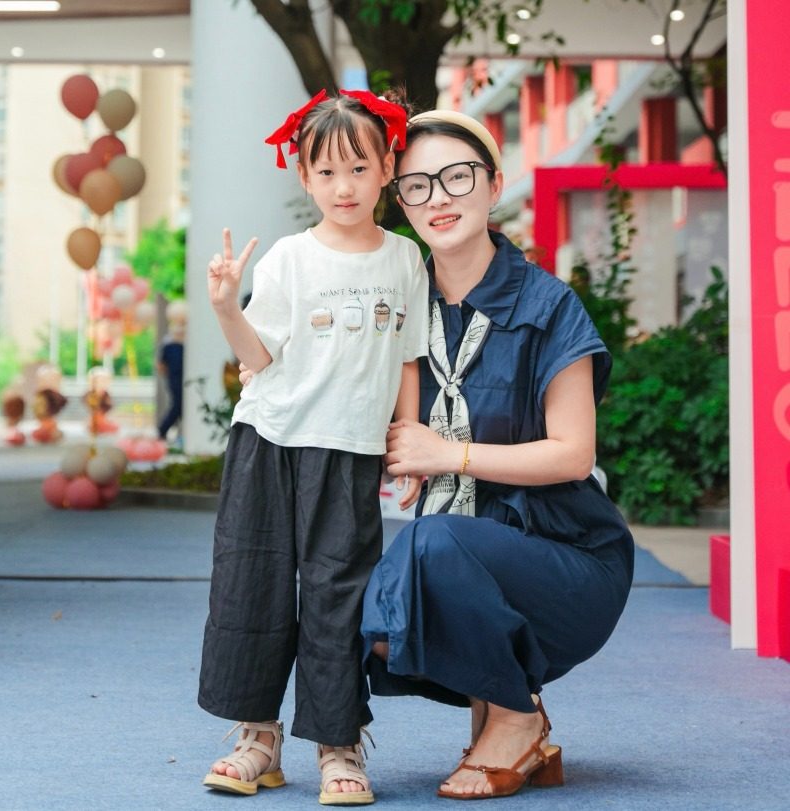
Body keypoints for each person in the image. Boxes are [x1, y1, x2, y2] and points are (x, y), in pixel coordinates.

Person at [360, 107, 635, 800]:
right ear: (401, 202)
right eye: (417, 185)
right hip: (461, 549)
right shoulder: (400, 305)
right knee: (371, 624)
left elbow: (573, 455)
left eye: (457, 177)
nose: (438, 197)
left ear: (493, 183)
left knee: (431, 543)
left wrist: (447, 454)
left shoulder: (549, 305)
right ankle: (509, 716)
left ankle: (515, 717)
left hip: (567, 555)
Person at [198, 89, 429, 805]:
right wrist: (226, 307)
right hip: (269, 439)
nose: (343, 186)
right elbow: (258, 357)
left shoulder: (406, 259)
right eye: (326, 171)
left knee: (339, 594)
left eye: (358, 168)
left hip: (351, 452)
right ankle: (257, 738)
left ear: (387, 168)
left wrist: (407, 443)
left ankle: (338, 743)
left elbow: (408, 360)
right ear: (303, 176)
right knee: (253, 582)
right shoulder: (291, 258)